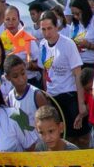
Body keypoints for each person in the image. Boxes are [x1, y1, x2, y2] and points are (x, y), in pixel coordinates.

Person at [37, 10, 87, 147]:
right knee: (63, 137)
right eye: (43, 29)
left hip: (70, 94)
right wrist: (46, 94)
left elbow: (78, 74)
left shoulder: (67, 44)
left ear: (56, 26)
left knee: (79, 136)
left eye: (50, 28)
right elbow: (44, 71)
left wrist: (81, 103)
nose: (47, 33)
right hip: (53, 97)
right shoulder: (42, 45)